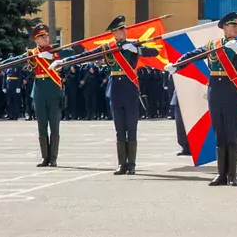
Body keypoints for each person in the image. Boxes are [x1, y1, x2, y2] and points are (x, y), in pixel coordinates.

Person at [54, 15, 159, 175]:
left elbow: (155, 51)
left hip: (129, 88)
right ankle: (121, 164)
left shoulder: (133, 44)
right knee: (119, 127)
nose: (124, 31)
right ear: (114, 32)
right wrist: (64, 61)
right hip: (115, 89)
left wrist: (136, 50)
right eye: (120, 29)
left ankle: (131, 164)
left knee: (131, 126)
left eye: (124, 28)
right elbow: (84, 56)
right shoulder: (107, 48)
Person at [167, 12, 237, 186]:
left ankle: (232, 175)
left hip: (232, 91)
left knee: (231, 132)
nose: (236, 29)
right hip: (215, 91)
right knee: (219, 133)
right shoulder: (213, 45)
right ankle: (221, 174)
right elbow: (192, 54)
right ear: (224, 28)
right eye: (233, 26)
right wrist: (177, 65)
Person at [19, 24, 75, 167]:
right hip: (39, 91)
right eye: (42, 37)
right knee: (41, 124)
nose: (46, 38)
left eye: (46, 36)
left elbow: (71, 51)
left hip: (53, 90)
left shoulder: (54, 51)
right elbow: (14, 61)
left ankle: (53, 158)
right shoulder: (33, 53)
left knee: (54, 125)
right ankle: (45, 157)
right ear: (36, 40)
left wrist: (52, 56)